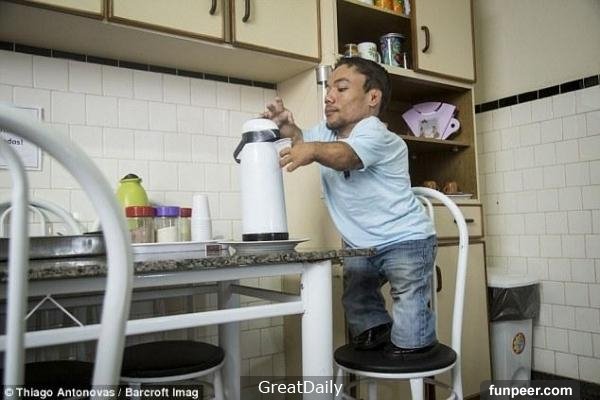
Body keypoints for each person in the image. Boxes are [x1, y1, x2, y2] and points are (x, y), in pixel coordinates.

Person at [262, 57, 437, 357]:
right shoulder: (327, 134)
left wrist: (312, 149)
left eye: (341, 89)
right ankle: (376, 331)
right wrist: (289, 129)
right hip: (360, 244)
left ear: (372, 98)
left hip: (406, 239)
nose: (329, 97)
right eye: (328, 89)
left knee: (409, 296)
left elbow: (348, 156)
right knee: (357, 294)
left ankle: (413, 346)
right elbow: (303, 141)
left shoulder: (375, 133)